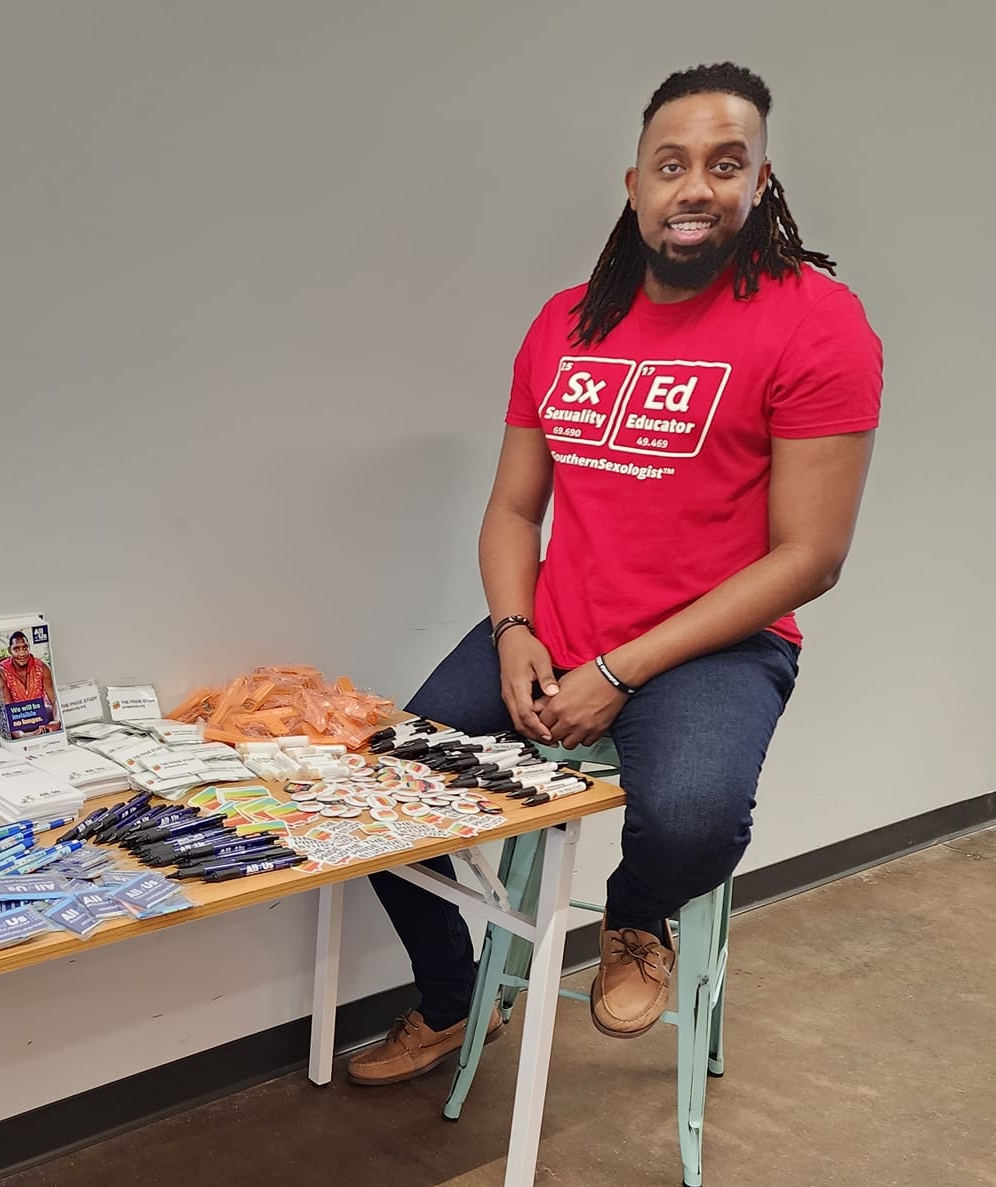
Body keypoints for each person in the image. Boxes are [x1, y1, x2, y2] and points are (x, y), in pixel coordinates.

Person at [348, 62, 883, 1085]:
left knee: (689, 816)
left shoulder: (817, 323)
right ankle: (455, 1000)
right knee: (381, 794)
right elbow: (511, 509)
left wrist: (623, 671)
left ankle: (638, 919)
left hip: (712, 644)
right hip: (553, 626)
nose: (695, 188)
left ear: (760, 182)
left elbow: (809, 557)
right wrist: (512, 631)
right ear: (631, 184)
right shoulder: (564, 323)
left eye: (724, 165)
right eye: (669, 164)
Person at [0, 630, 58, 735]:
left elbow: (54, 700)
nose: (22, 653)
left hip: (41, 716)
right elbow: (6, 709)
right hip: (17, 720)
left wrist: (56, 722)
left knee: (50, 710)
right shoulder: (2, 671)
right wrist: (19, 734)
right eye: (16, 649)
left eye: (25, 647)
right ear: (9, 650)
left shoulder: (42, 667)